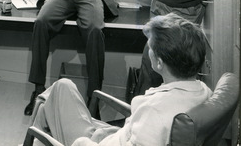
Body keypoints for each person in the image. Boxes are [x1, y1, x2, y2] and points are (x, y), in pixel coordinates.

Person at [25, 13, 212, 146]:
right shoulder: (203, 91)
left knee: (55, 93)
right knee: (56, 94)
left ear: (160, 63)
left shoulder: (155, 112)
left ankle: (36, 133)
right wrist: (109, 133)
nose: (149, 51)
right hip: (114, 137)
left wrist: (85, 142)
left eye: (150, 48)